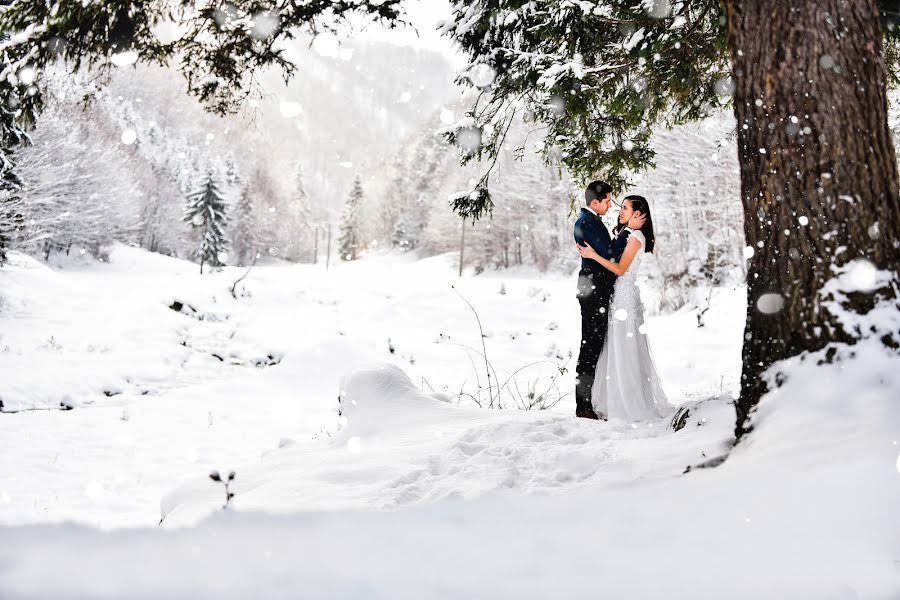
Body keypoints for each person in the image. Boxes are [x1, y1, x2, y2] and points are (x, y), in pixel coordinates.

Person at [577, 195, 670, 421]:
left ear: (638, 214)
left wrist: (592, 255)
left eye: (626, 208)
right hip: (618, 296)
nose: (620, 210)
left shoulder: (636, 237)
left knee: (624, 348)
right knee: (616, 347)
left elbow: (619, 269)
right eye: (621, 206)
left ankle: (628, 403)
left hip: (624, 298)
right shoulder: (626, 233)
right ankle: (613, 400)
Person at [572, 181, 645, 420]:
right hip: (594, 290)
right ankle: (583, 406)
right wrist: (627, 231)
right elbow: (612, 255)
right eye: (607, 201)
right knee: (591, 346)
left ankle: (591, 401)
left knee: (595, 345)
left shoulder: (591, 221)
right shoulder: (587, 222)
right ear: (595, 202)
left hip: (598, 289)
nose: (610, 205)